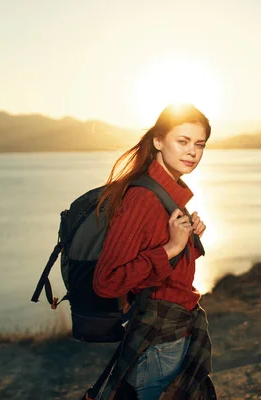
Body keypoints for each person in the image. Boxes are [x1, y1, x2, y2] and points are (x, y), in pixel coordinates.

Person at [92, 103, 216, 400]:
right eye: (182, 141)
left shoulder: (170, 193)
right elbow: (106, 281)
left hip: (175, 331)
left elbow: (167, 268)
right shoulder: (143, 199)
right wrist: (173, 246)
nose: (192, 152)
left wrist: (189, 241)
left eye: (199, 144)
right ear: (158, 141)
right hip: (158, 341)